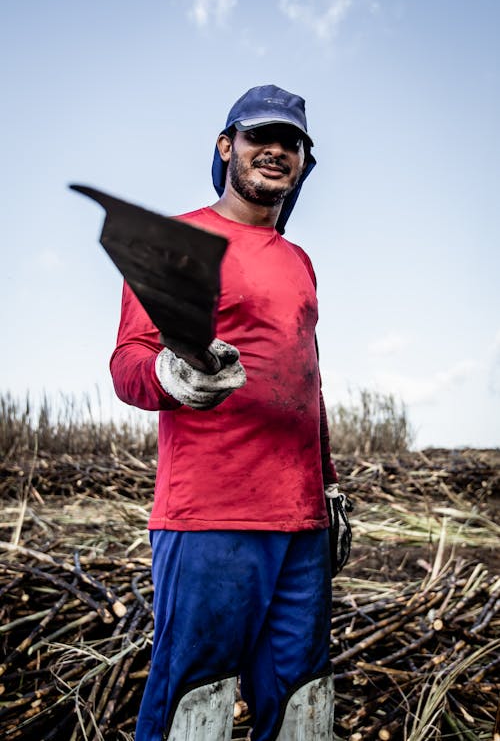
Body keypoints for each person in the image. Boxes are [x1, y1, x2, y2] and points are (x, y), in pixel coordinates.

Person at [110, 84, 349, 741]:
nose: (276, 151)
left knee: (303, 702)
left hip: (301, 524)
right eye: (260, 137)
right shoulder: (178, 241)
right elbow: (128, 362)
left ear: (303, 163)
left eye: (291, 143)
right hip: (212, 517)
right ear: (227, 147)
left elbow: (307, 380)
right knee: (198, 703)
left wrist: (326, 481)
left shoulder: (300, 263)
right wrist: (170, 373)